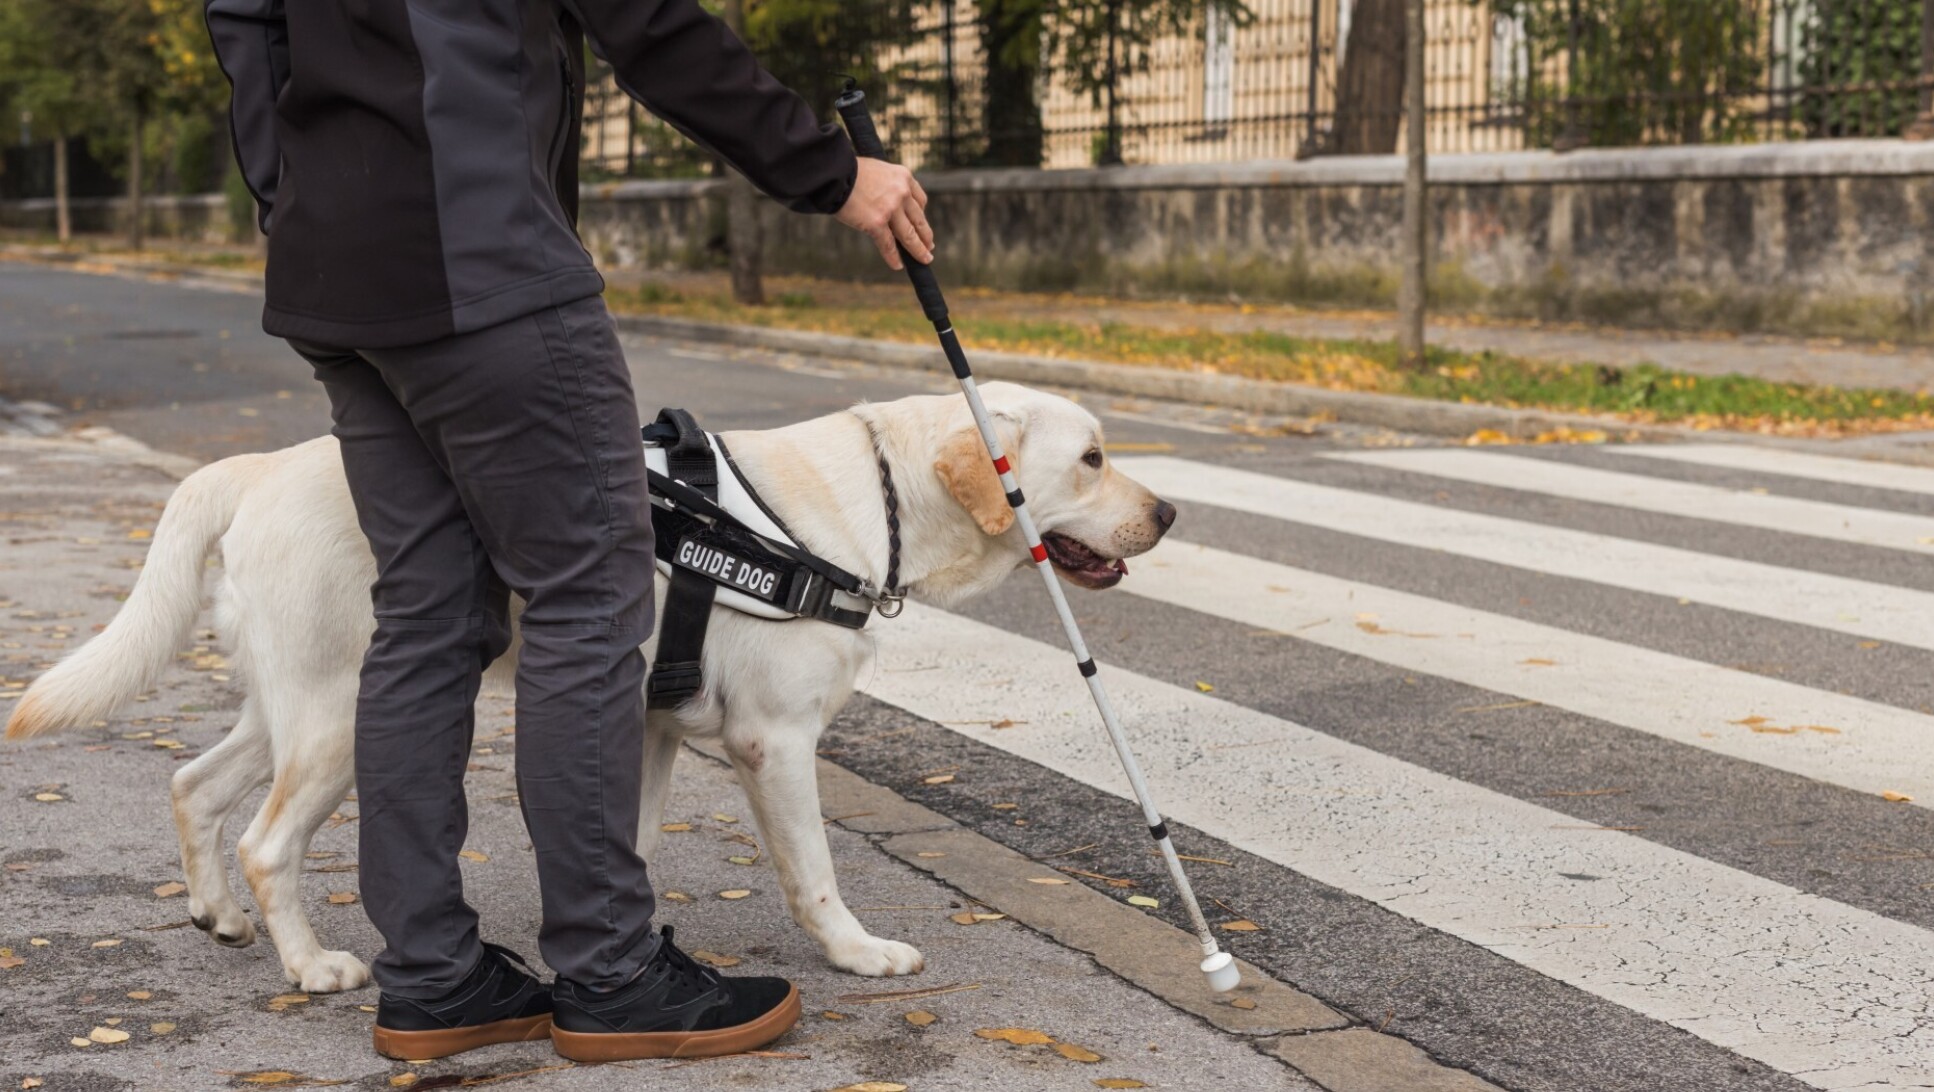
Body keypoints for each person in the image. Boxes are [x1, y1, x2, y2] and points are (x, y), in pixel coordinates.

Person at [202, 0, 934, 1063]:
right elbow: (650, 23)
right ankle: (612, 971)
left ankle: (435, 978)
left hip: (337, 271)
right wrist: (829, 169)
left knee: (427, 613)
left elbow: (244, 15)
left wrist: (295, 196)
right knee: (589, 601)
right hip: (482, 259)